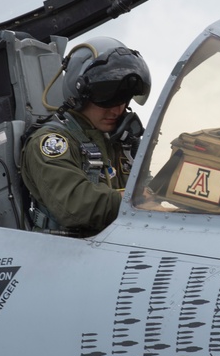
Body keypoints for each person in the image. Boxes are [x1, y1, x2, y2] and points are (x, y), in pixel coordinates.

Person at [21, 37, 150, 235]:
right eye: (107, 99)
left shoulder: (121, 141)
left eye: (124, 99)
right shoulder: (50, 142)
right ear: (80, 94)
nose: (118, 109)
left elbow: (152, 188)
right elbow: (75, 206)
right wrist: (141, 200)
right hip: (64, 252)